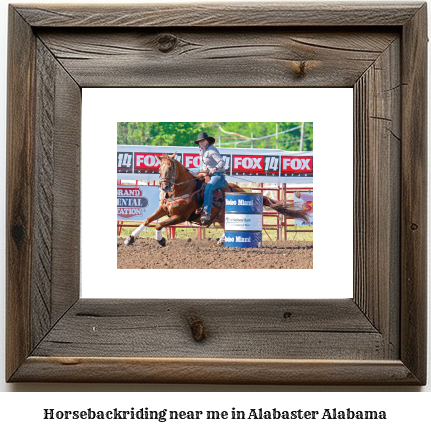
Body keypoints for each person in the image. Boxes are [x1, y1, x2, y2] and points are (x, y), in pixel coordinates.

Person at [193, 132, 227, 223]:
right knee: (191, 175)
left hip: (218, 175)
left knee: (208, 188)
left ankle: (206, 213)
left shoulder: (212, 150)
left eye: (202, 140)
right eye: (199, 141)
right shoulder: (201, 150)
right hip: (208, 174)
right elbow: (205, 162)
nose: (200, 142)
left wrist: (215, 168)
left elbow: (222, 162)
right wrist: (205, 167)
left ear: (207, 141)